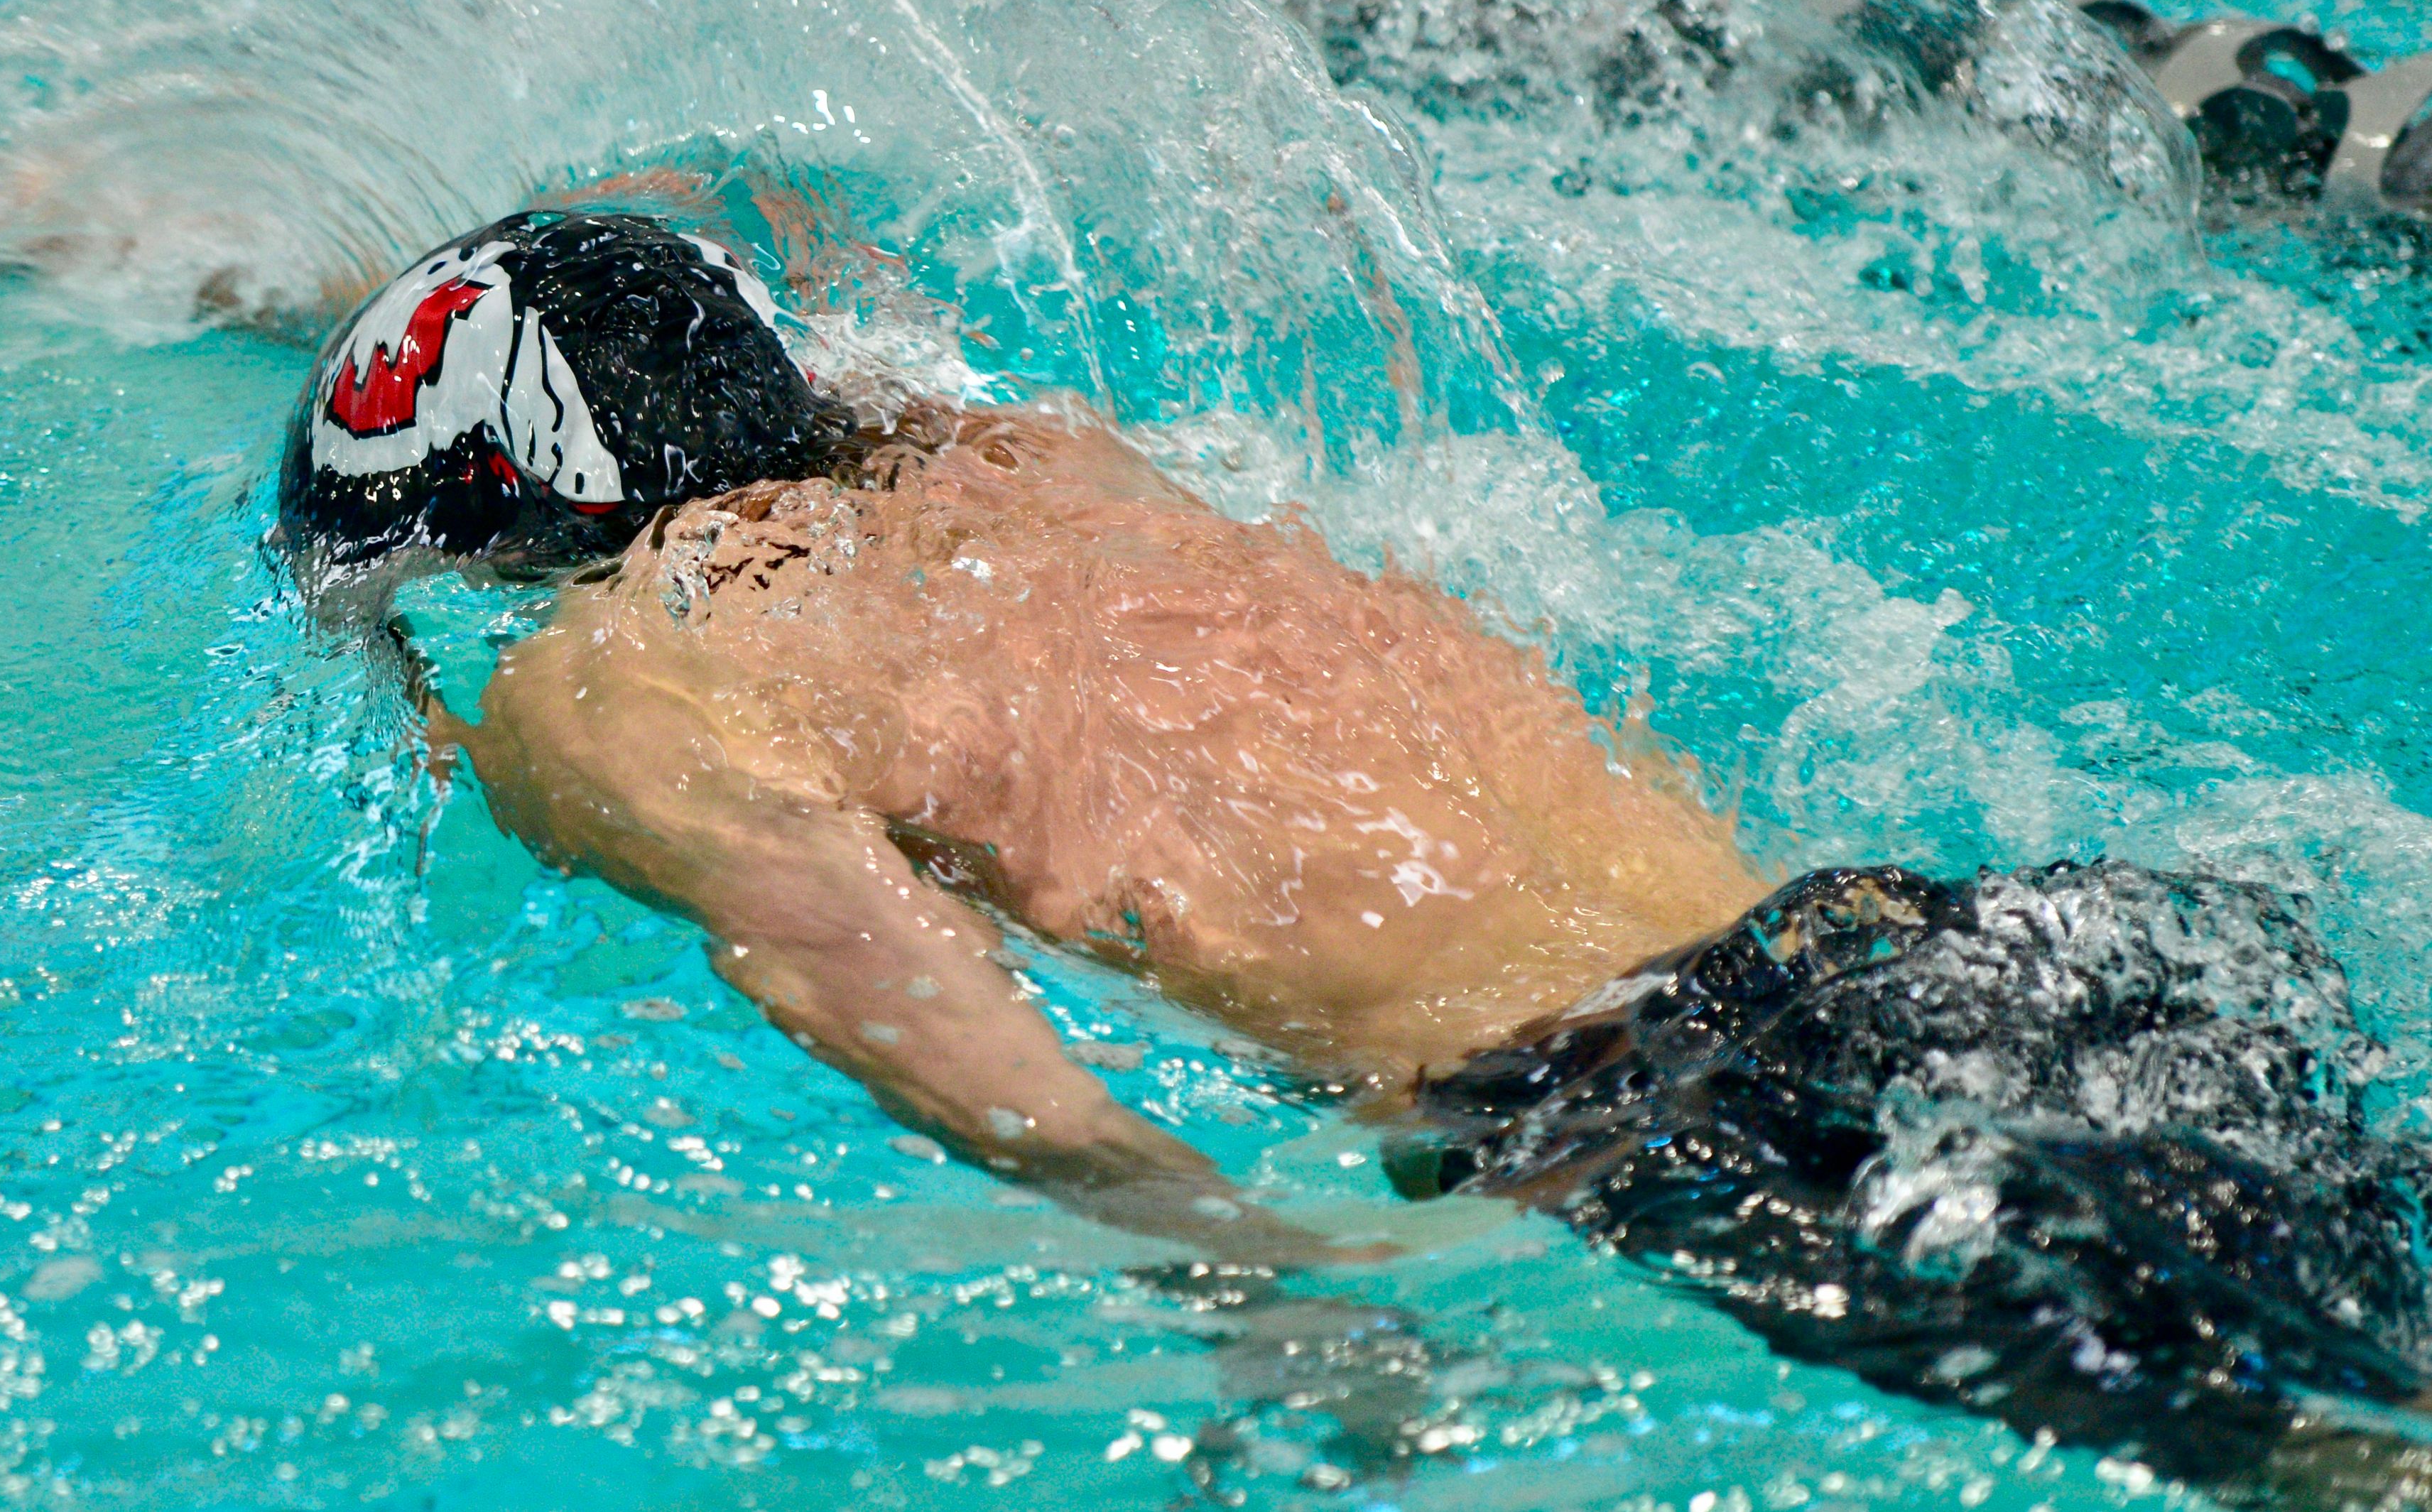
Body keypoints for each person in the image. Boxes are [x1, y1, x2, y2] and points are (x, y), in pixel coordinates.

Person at [279, 197, 2432, 1496]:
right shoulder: (1029, 458)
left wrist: (1237, 1262)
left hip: (1678, 1108)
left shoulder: (618, 679)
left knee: (2347, 1468)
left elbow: (866, 972)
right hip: (1929, 942)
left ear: (506, 527)